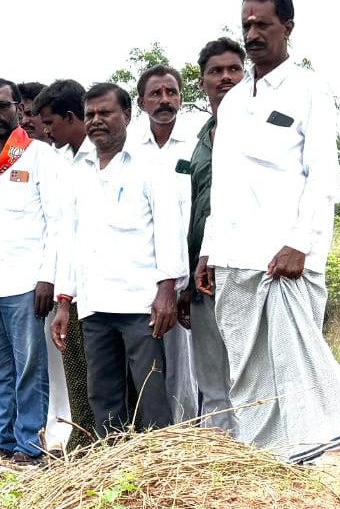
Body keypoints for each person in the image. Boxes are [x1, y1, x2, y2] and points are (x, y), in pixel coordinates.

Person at [197, 0, 340, 462]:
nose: (252, 34)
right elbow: (222, 187)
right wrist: (209, 251)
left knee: (295, 370)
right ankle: (265, 462)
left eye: (262, 24)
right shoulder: (230, 102)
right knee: (246, 374)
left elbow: (323, 175)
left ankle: (308, 457)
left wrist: (299, 244)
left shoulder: (309, 88)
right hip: (233, 258)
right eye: (246, 24)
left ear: (287, 26)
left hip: (283, 261)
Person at [52, 83, 187, 437]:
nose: (96, 121)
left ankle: (160, 467)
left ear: (126, 115)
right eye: (90, 115)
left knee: (150, 394)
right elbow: (71, 240)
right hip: (94, 304)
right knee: (104, 397)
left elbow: (169, 230)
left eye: (105, 113)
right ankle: (113, 472)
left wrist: (167, 289)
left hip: (141, 303)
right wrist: (64, 301)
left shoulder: (150, 166)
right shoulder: (78, 171)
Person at [0, 79, 70, 465]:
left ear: (18, 109)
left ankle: (29, 443)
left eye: (1, 106)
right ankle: (0, 440)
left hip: (26, 283)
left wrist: (48, 278)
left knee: (28, 369)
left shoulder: (41, 156)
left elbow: (56, 222)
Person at [181, 38, 245, 430]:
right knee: (210, 371)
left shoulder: (258, 127)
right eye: (216, 71)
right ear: (202, 82)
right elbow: (195, 211)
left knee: (249, 370)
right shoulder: (201, 139)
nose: (225, 77)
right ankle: (218, 456)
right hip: (202, 273)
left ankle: (261, 454)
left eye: (233, 69)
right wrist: (188, 275)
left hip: (246, 266)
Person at [133, 64, 201, 423]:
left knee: (187, 362)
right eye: (156, 94)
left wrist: (186, 278)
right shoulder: (129, 148)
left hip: (190, 271)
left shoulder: (197, 144)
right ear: (141, 102)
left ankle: (188, 433)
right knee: (149, 363)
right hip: (143, 275)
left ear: (181, 97)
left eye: (171, 92)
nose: (164, 100)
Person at [33, 79, 99, 447]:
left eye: (50, 122)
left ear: (72, 117)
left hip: (102, 283)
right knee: (74, 364)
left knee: (101, 369)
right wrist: (60, 290)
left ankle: (105, 440)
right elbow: (59, 230)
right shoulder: (61, 161)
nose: (45, 131)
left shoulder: (100, 158)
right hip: (69, 282)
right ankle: (83, 439)